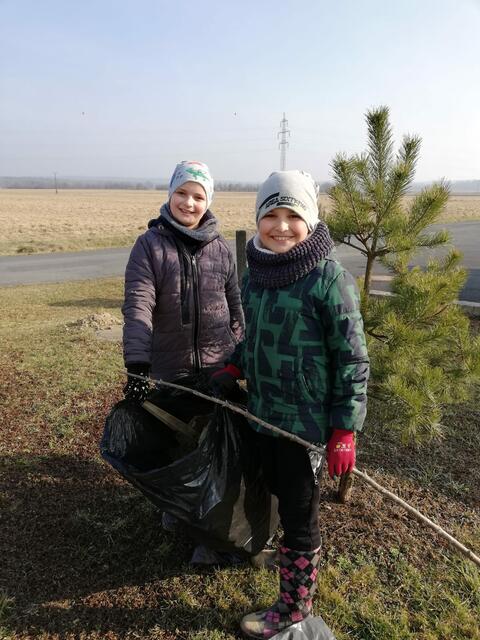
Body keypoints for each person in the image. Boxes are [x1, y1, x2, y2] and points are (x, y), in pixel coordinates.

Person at [211, 170, 369, 638]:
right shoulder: (256, 272)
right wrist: (234, 368)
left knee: (301, 515)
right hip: (262, 415)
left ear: (310, 219)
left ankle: (295, 606)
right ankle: (279, 554)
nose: (281, 226)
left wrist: (344, 431)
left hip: (304, 428)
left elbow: (353, 361)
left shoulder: (328, 280)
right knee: (271, 494)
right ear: (258, 220)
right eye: (271, 215)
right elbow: (251, 337)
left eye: (292, 216)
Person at [122, 160, 244, 399]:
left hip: (219, 369)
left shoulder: (220, 247)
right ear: (170, 194)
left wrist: (240, 356)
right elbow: (139, 305)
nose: (189, 203)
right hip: (169, 373)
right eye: (181, 193)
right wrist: (137, 365)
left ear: (207, 201)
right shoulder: (149, 246)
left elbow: (235, 304)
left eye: (198, 197)